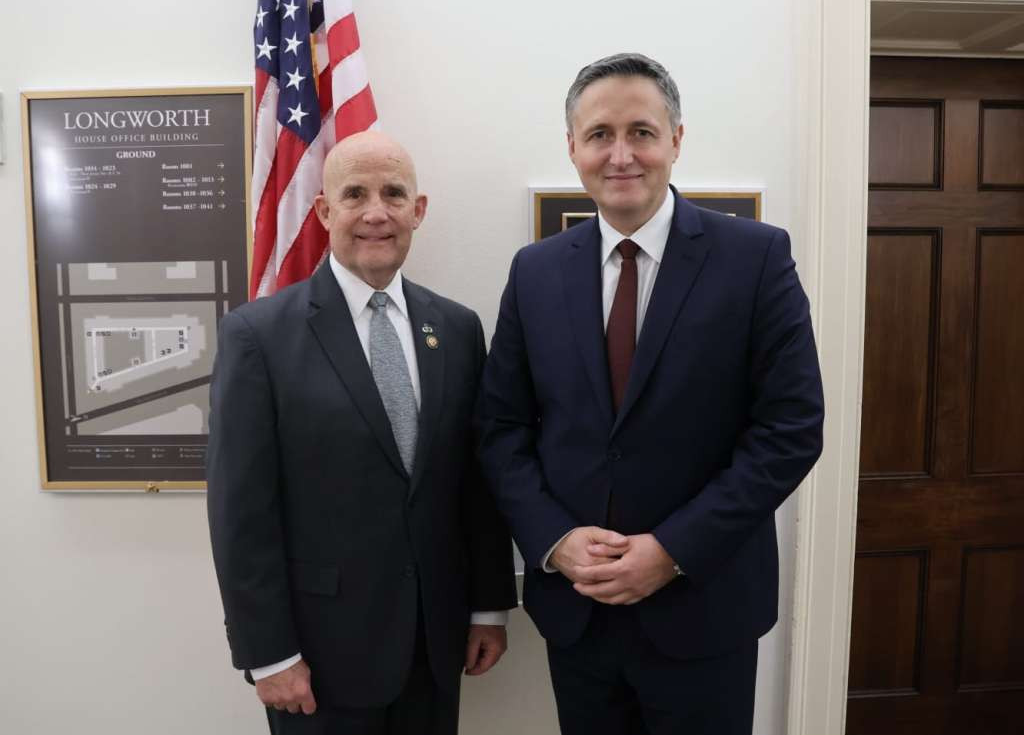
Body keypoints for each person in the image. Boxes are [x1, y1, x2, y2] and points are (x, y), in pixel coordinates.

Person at [477, 53, 825, 735]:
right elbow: (500, 427)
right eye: (599, 134)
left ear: (676, 139)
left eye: (641, 131)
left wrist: (672, 549)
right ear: (572, 147)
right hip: (578, 612)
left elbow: (791, 428)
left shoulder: (755, 258)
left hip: (705, 607)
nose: (621, 154)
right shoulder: (535, 271)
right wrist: (553, 539)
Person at [207, 131, 517, 735]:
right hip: (316, 658)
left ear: (418, 210)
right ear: (324, 211)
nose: (376, 212)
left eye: (394, 194)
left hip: (434, 644)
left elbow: (475, 482)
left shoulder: (457, 328)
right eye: (354, 195)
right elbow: (240, 510)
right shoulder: (258, 336)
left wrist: (488, 607)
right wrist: (268, 653)